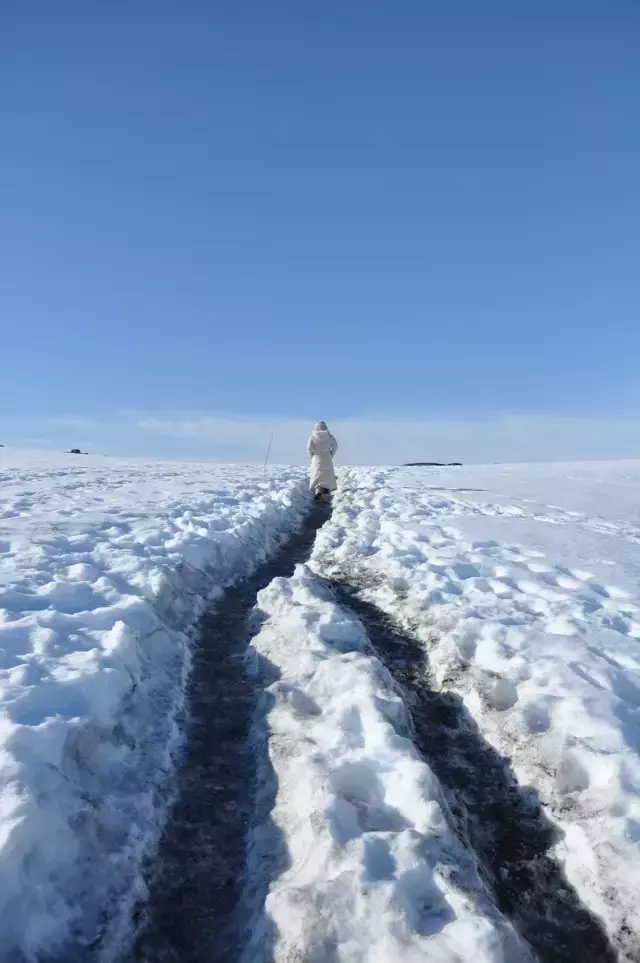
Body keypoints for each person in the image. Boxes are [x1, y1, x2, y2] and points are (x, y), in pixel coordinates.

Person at [307, 421, 338, 500]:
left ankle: (318, 490)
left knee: (317, 476)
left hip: (316, 458)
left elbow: (309, 448)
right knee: (327, 476)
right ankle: (326, 493)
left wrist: (312, 456)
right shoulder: (329, 436)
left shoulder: (313, 436)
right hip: (327, 458)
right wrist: (331, 454)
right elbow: (335, 446)